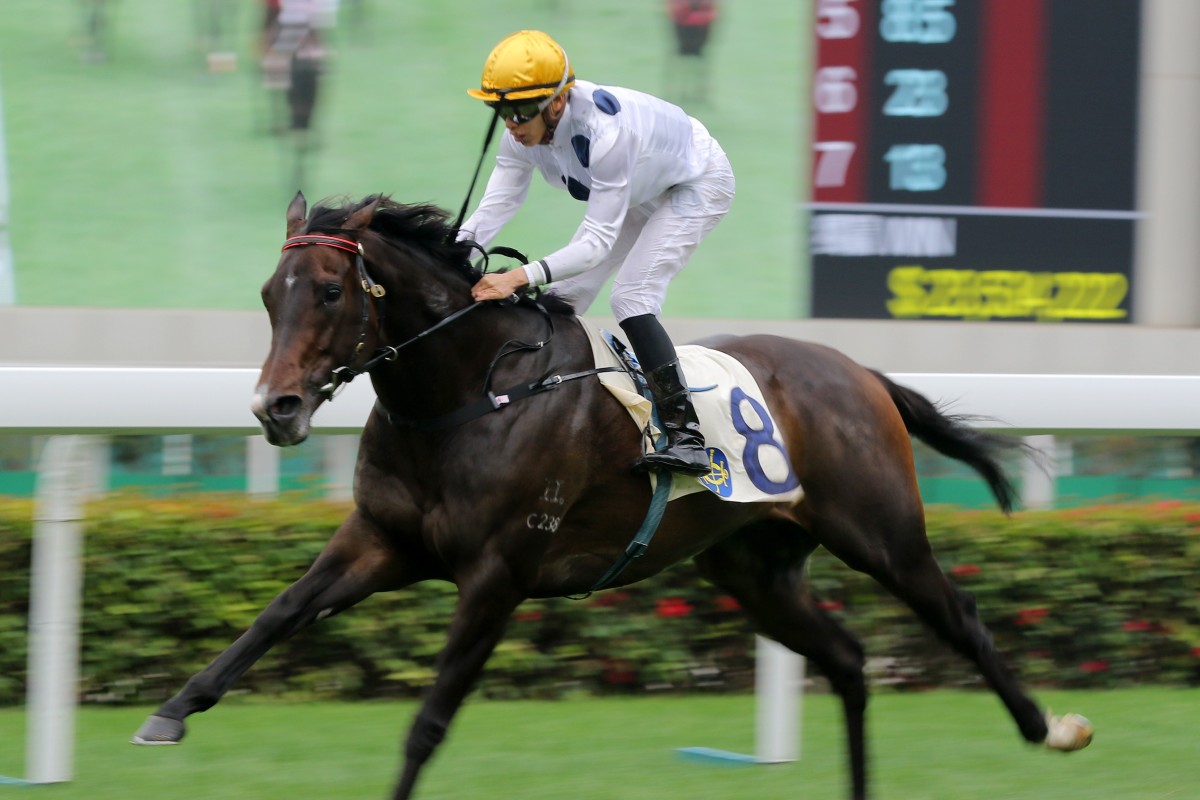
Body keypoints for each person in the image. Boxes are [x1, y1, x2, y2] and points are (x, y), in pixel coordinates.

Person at [461, 30, 735, 478]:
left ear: (556, 102)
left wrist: (517, 277)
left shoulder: (607, 133)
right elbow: (495, 208)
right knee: (567, 297)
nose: (510, 124)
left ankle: (688, 437)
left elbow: (595, 244)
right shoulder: (521, 130)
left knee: (631, 297)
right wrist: (448, 255)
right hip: (643, 184)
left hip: (696, 181)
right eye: (501, 111)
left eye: (520, 112)